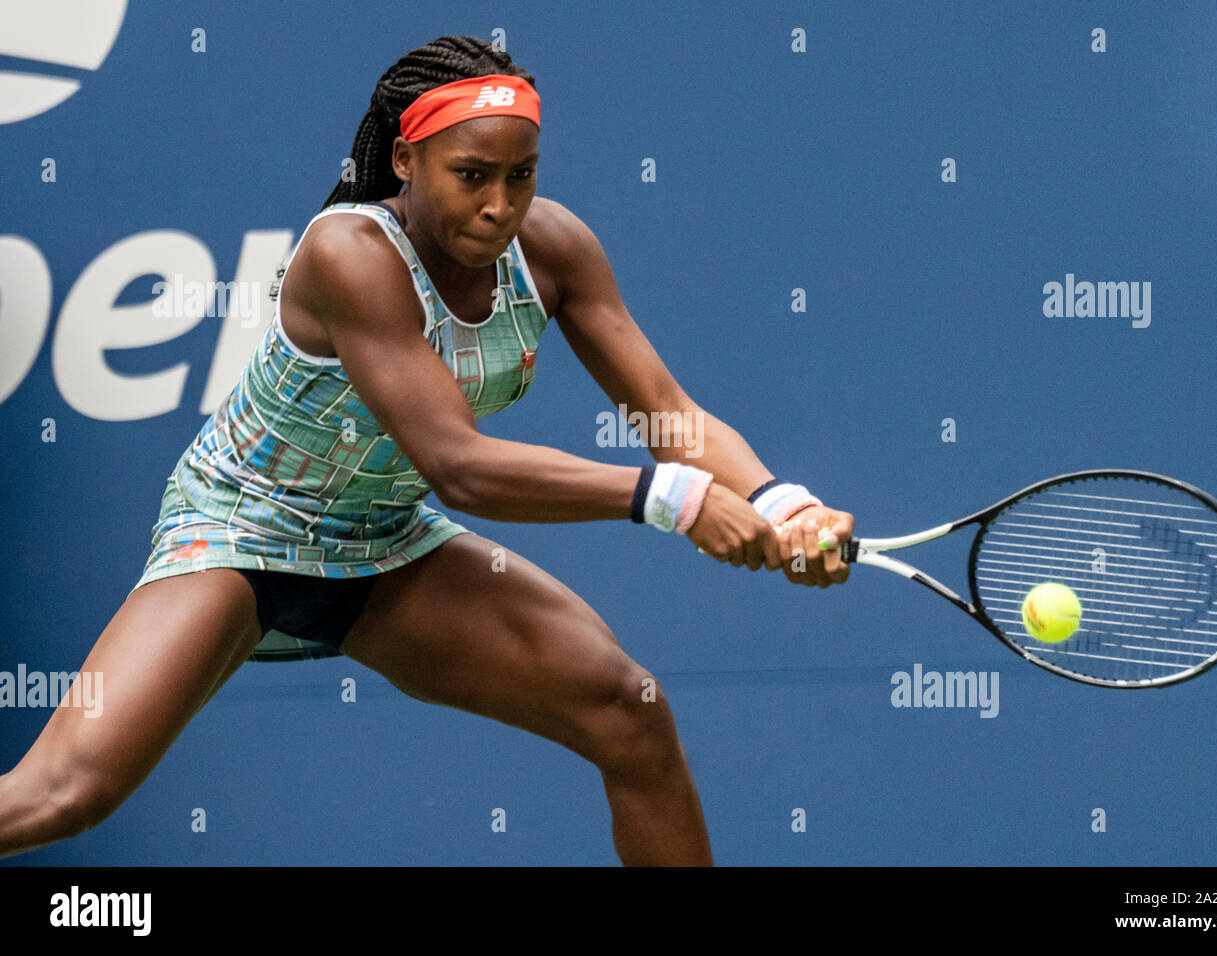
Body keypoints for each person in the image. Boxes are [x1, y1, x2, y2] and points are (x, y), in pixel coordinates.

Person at [0, 35, 853, 866]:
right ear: (406, 161)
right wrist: (677, 500)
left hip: (382, 542)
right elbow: (461, 467)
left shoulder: (552, 249)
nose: (499, 205)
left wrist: (784, 502)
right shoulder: (347, 252)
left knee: (628, 711)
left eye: (520, 176)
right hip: (240, 530)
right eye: (471, 176)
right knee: (64, 795)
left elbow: (669, 412)